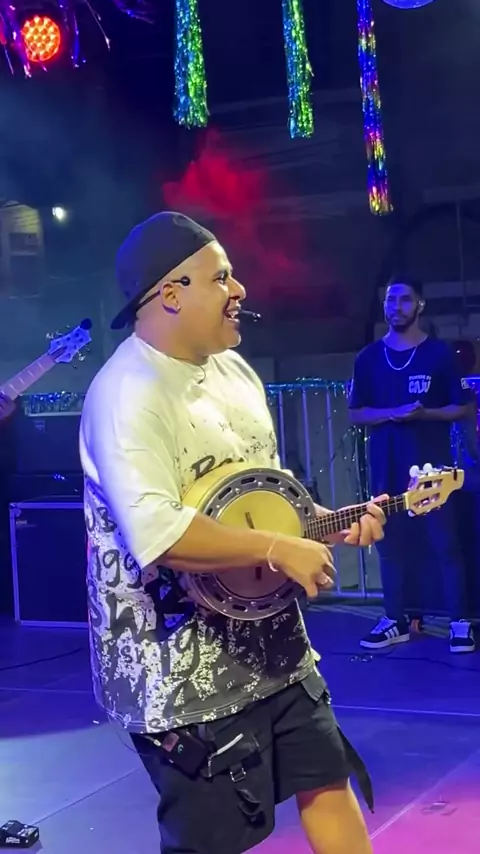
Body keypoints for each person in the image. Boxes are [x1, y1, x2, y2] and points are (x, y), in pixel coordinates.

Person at [80, 212, 387, 854]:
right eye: (221, 277)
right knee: (212, 843)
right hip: (179, 672)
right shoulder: (126, 394)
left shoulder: (234, 373)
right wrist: (277, 547)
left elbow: (256, 501)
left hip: (271, 639)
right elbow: (159, 535)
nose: (240, 289)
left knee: (328, 781)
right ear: (171, 293)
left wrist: (323, 525)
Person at [349, 279, 475, 654]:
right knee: (390, 545)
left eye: (405, 299)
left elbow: (462, 407)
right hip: (386, 465)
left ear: (419, 304)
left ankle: (459, 621)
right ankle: (395, 619)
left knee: (444, 543)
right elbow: (357, 413)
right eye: (391, 300)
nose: (396, 306)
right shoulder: (368, 357)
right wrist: (393, 413)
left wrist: (425, 413)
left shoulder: (438, 354)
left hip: (432, 470)